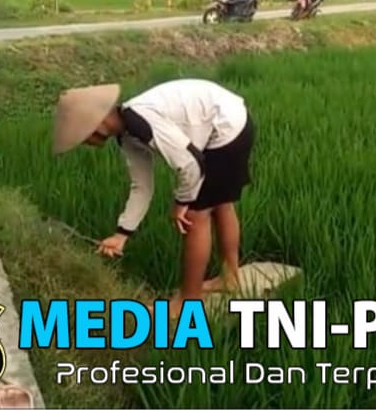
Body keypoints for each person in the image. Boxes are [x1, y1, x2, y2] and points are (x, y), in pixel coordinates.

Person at [52, 79, 256, 318]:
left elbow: (190, 164)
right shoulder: (127, 135)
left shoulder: (140, 122)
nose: (83, 142)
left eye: (80, 135)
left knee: (194, 215)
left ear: (95, 124)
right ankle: (229, 277)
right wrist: (122, 234)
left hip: (227, 127)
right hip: (225, 121)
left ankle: (187, 303)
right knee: (219, 202)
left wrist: (182, 203)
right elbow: (142, 187)